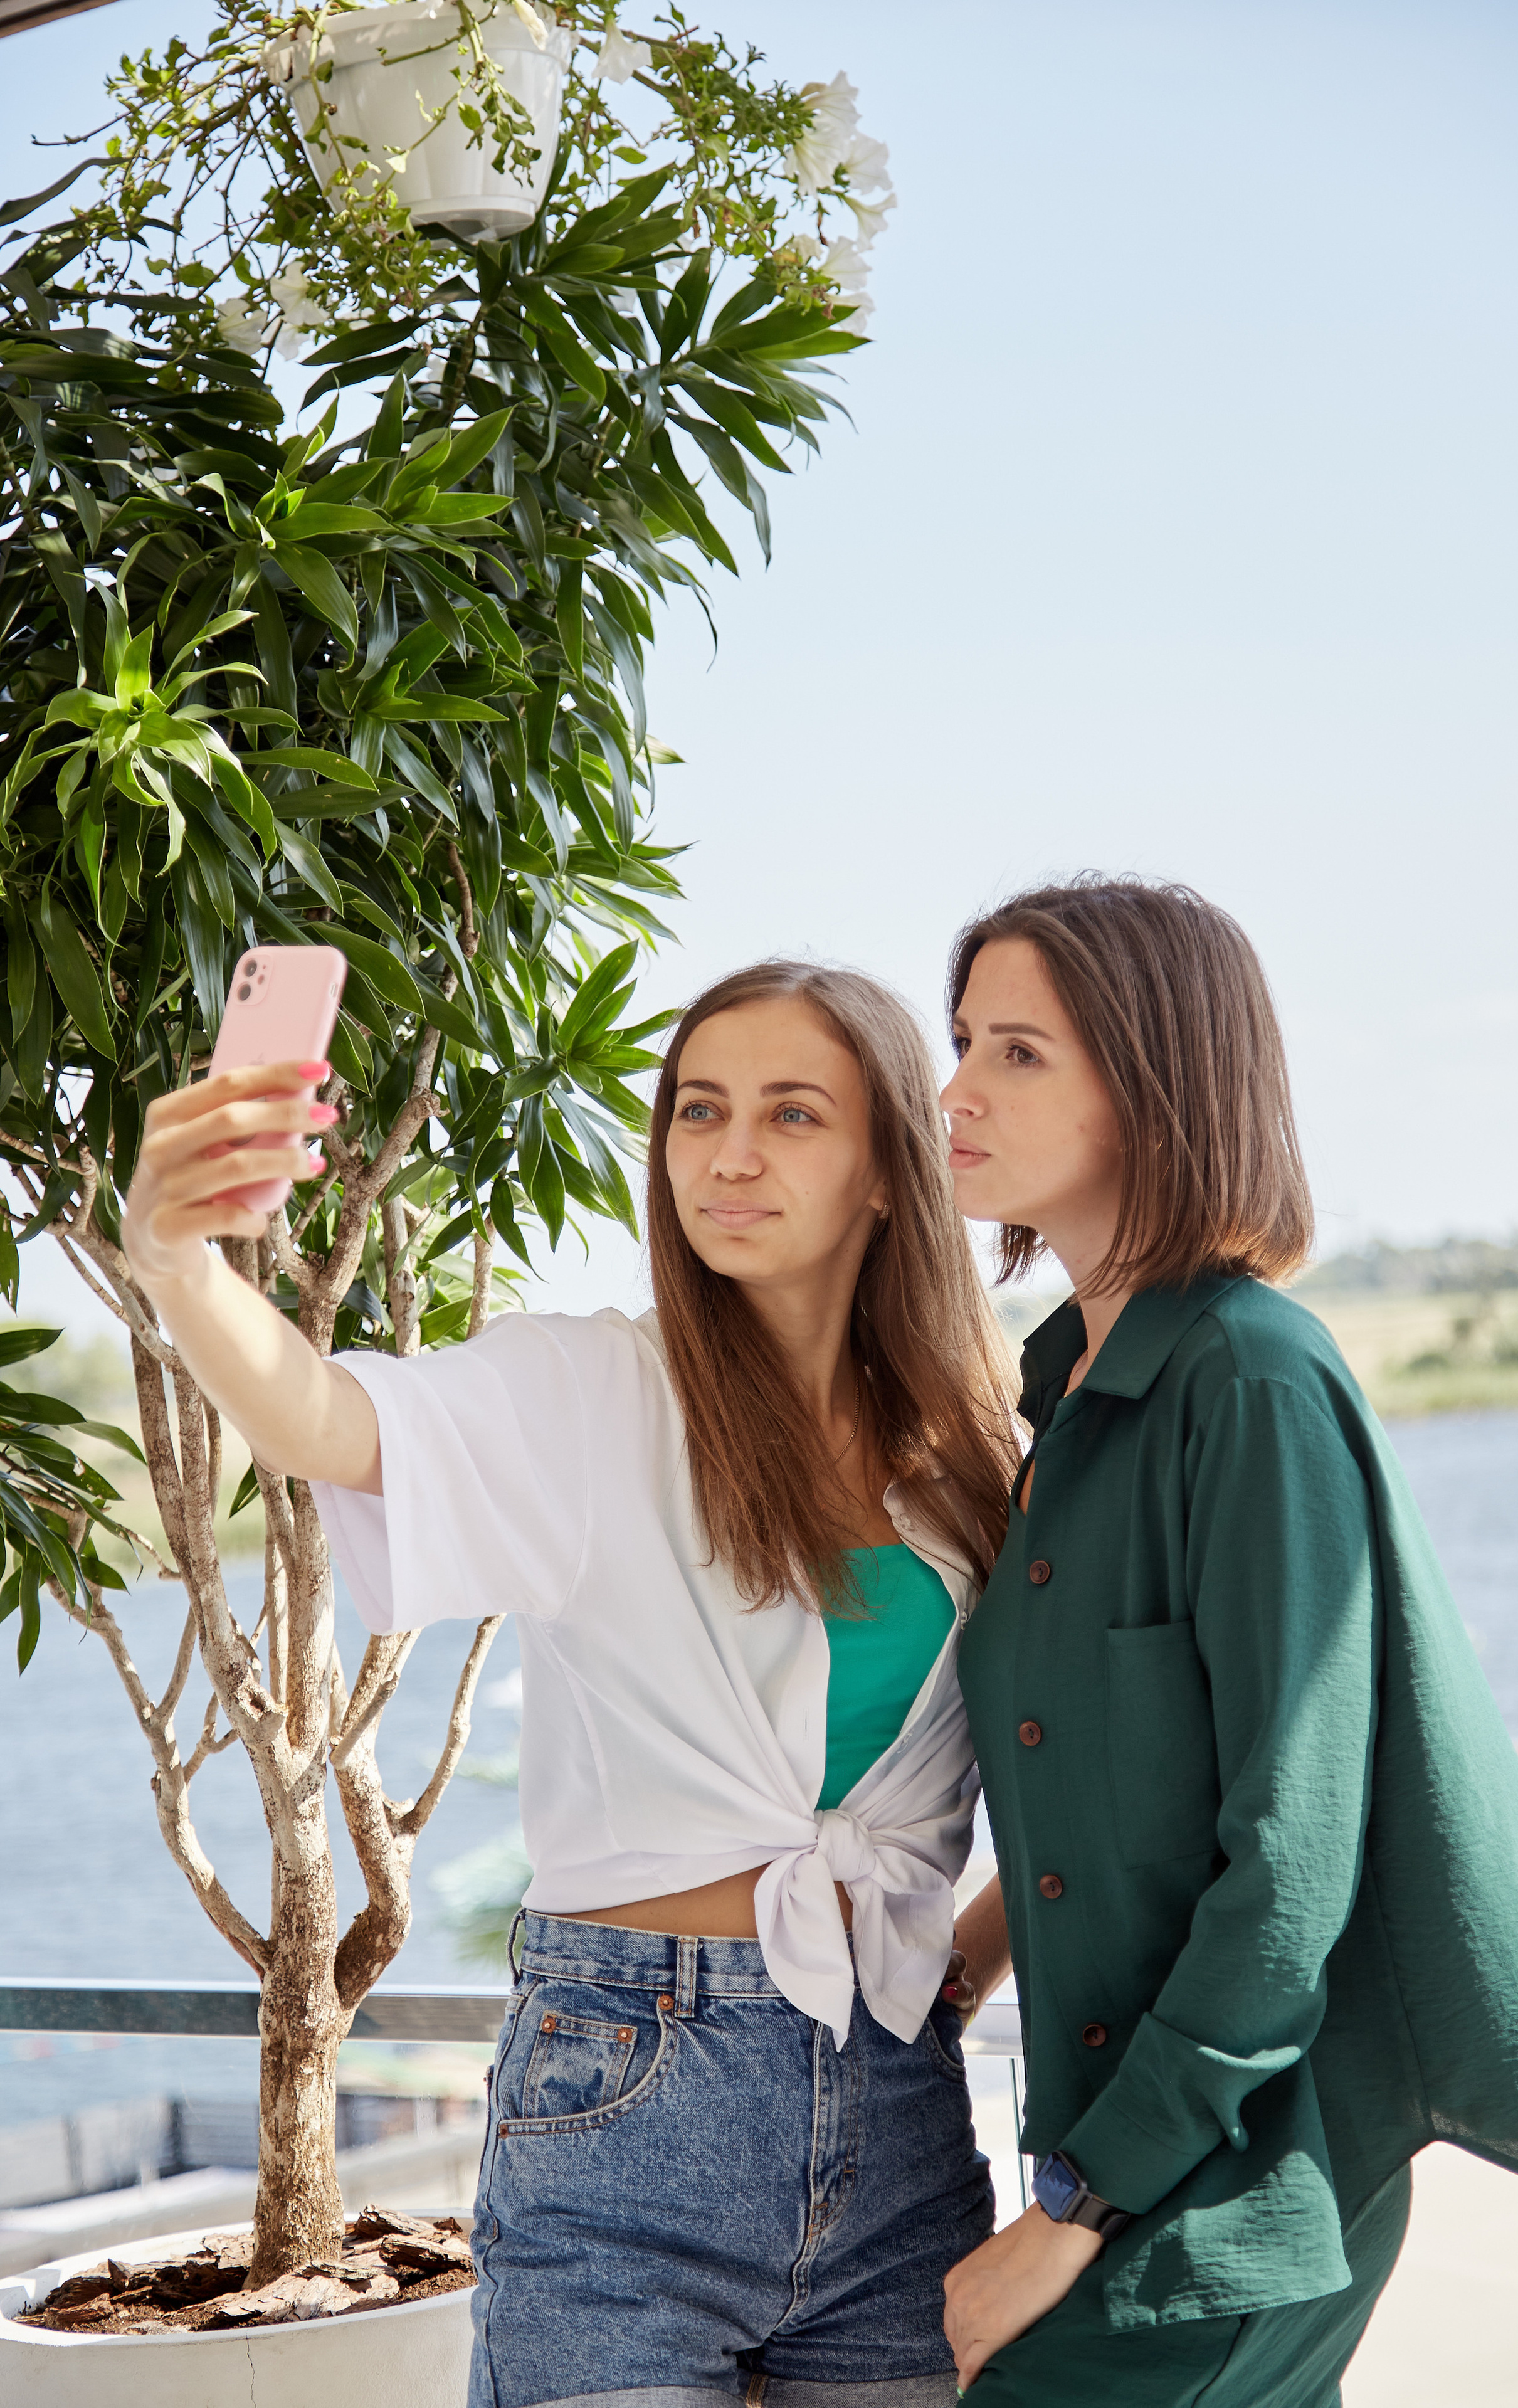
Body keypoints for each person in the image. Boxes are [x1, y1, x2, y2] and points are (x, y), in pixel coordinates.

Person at [123, 958, 1023, 2405]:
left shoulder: (978, 1446)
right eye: (696, 1111)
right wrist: (177, 1261)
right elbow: (321, 1419)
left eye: (793, 1115)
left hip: (900, 2122)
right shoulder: (589, 1391)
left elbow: (1054, 1776)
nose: (726, 1157)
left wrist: (955, 1966)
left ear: (882, 1172)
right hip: (629, 2099)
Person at [935, 876, 1518, 2405]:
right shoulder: (1069, 1394)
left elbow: (1287, 1860)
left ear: (1154, 1081)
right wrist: (961, 1958)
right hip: (1125, 2156)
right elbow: (1113, 1766)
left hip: (1226, 2189)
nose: (953, 1091)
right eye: (962, 1039)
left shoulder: (1246, 1382)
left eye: (1016, 1053)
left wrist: (1064, 2217)